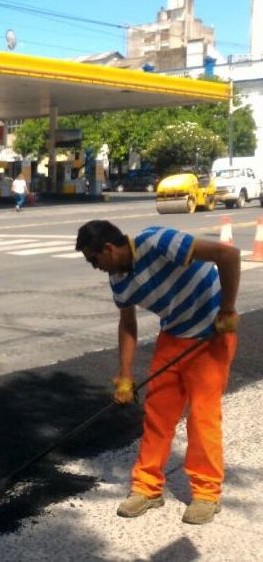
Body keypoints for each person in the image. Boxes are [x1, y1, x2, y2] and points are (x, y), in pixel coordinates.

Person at [75, 220, 240, 524]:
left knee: (202, 416)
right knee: (157, 416)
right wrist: (125, 376)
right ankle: (147, 488)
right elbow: (127, 324)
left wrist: (227, 310)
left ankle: (206, 493)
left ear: (109, 248)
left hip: (211, 335)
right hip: (173, 336)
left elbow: (228, 255)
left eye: (92, 259)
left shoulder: (157, 241)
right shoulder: (119, 279)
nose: (93, 266)